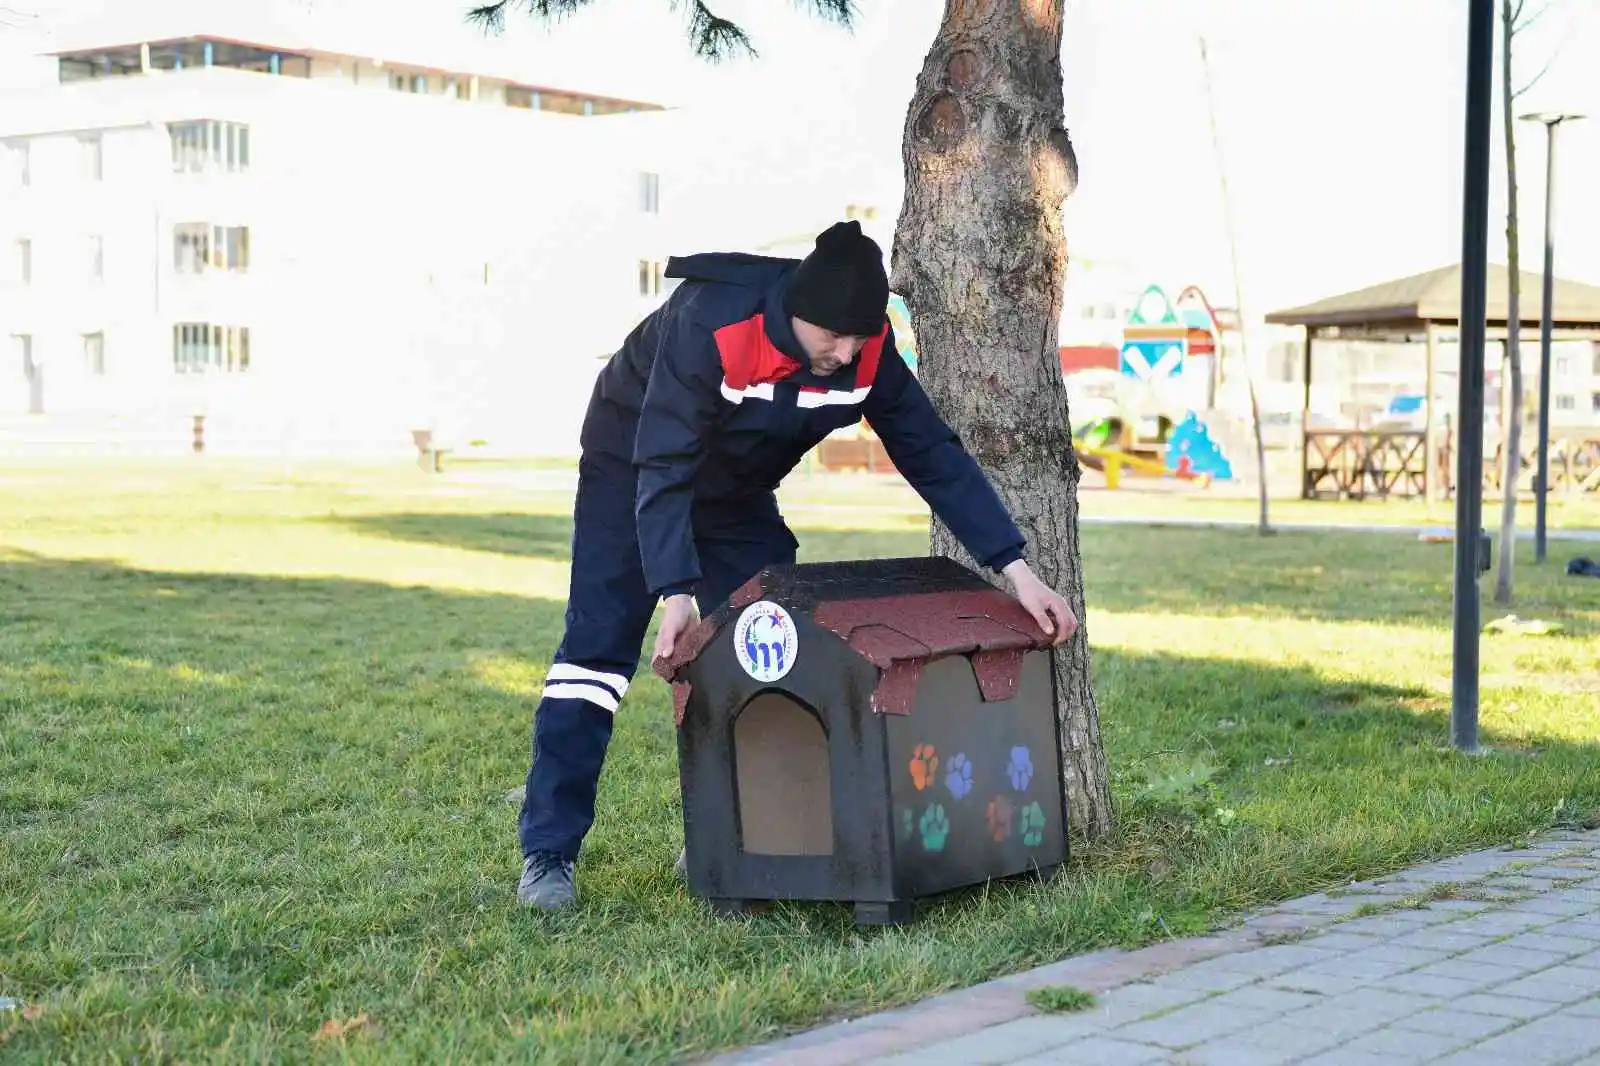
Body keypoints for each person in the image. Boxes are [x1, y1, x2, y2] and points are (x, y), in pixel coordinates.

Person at [517, 220, 1078, 910]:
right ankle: (549, 853)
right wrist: (676, 591)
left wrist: (1016, 570)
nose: (842, 353)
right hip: (631, 470)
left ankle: (732, 838)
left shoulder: (869, 352)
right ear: (793, 312)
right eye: (828, 337)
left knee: (768, 647)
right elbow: (662, 461)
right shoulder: (711, 325)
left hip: (739, 493)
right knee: (596, 654)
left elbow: (934, 454)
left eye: (856, 337)